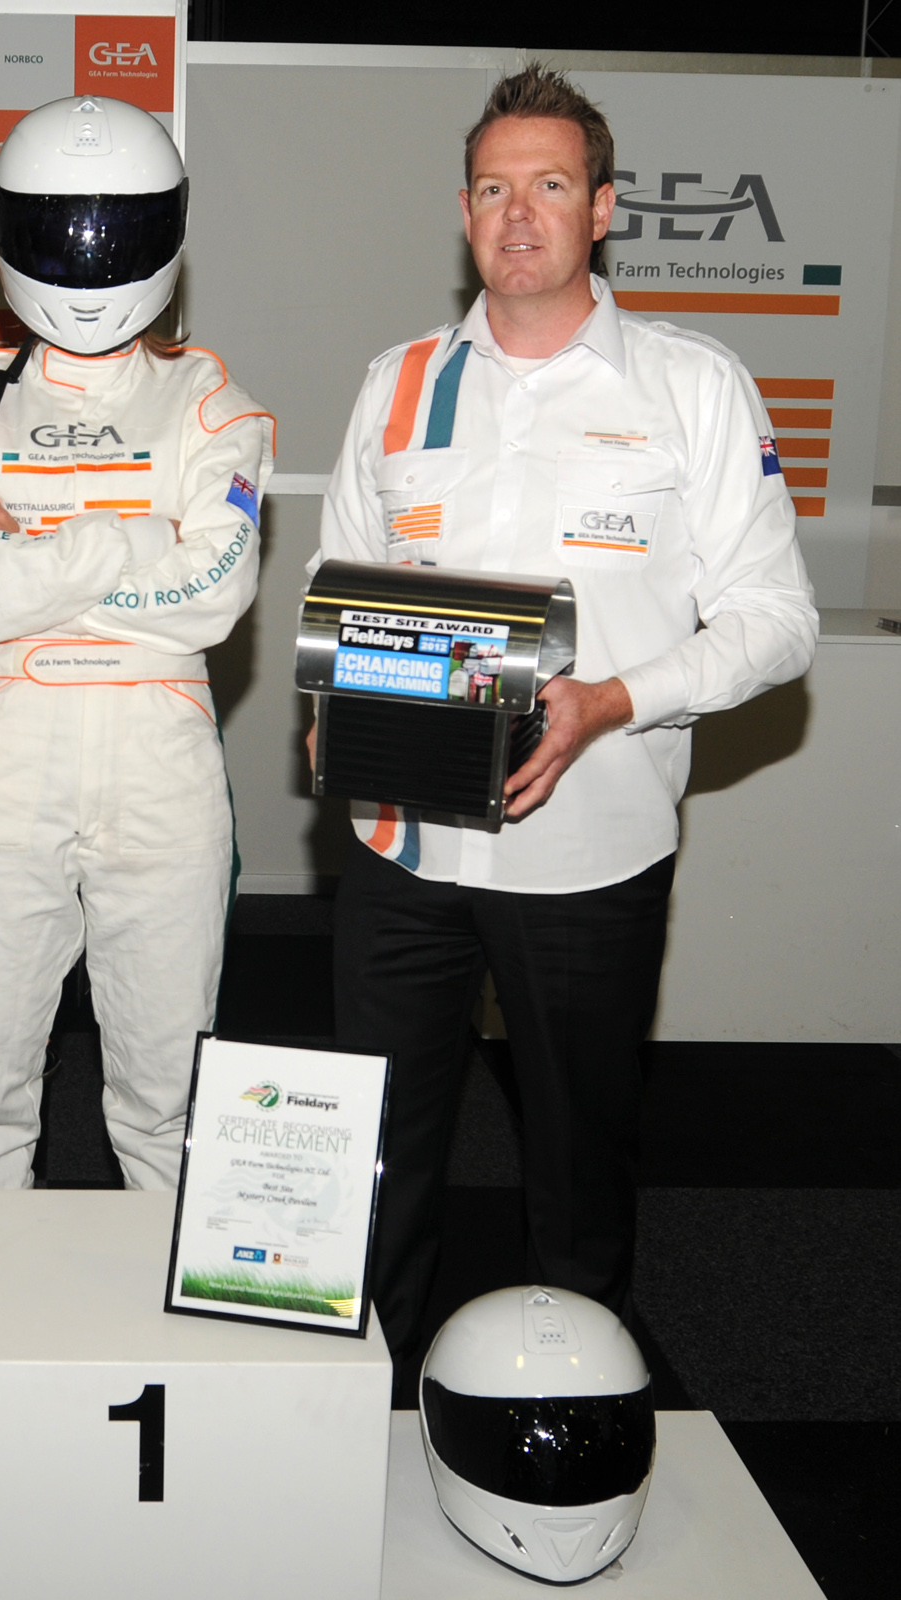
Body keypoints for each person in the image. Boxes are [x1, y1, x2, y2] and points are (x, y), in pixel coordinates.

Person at [310, 66, 817, 1394]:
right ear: (462, 212)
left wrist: (609, 699)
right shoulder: (398, 383)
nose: (515, 213)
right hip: (399, 843)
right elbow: (348, 586)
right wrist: (335, 710)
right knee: (379, 1148)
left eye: (546, 186)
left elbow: (773, 625)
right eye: (490, 187)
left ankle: (567, 1405)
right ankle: (355, 1399)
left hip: (587, 854)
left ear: (599, 211)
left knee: (577, 1162)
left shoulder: (689, 387)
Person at [0, 95, 275, 1191]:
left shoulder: (208, 396)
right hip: (3, 761)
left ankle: (167, 1347)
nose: (86, 255)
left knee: (169, 1097)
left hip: (160, 769)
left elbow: (216, 594)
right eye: (60, 225)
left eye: (115, 226)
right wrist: (136, 534)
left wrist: (40, 545)